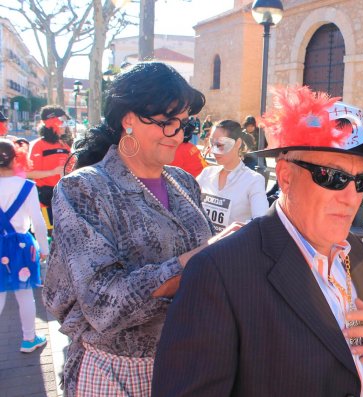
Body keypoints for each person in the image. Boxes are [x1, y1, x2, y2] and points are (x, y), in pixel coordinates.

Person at [153, 86, 363, 397]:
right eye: (332, 177)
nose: (352, 198)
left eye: (362, 180)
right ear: (285, 176)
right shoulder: (219, 273)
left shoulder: (352, 250)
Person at [42, 62, 218, 397]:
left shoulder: (183, 182)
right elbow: (103, 303)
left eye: (184, 124)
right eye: (167, 123)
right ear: (128, 119)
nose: (179, 135)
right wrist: (198, 261)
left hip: (189, 362)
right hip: (116, 373)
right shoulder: (84, 189)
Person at [0, 139, 49, 353]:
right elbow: (38, 221)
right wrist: (44, 249)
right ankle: (29, 339)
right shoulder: (27, 186)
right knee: (25, 294)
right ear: (16, 157)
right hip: (20, 246)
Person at [197, 119, 267, 231]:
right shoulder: (206, 173)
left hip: (232, 247)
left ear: (237, 143)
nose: (214, 151)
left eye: (220, 144)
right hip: (203, 246)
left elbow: (261, 221)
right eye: (212, 143)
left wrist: (234, 231)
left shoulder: (253, 180)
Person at [28, 106, 71, 234]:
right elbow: (28, 172)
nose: (65, 126)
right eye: (62, 121)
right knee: (49, 234)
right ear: (51, 122)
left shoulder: (64, 145)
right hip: (45, 200)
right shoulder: (38, 145)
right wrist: (53, 172)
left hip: (63, 198)